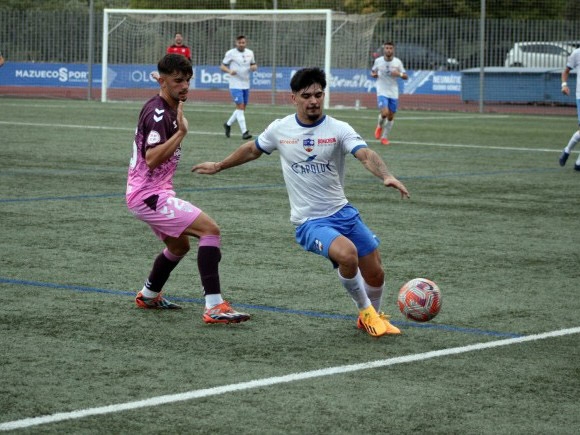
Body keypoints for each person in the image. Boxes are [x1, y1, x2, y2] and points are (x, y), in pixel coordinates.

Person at [192, 67, 410, 338]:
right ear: (293, 97)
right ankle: (367, 314)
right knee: (347, 254)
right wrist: (219, 165)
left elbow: (364, 154)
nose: (314, 101)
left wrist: (386, 175)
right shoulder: (281, 128)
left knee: (375, 272)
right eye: (306, 95)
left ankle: (370, 316)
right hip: (310, 221)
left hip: (343, 212)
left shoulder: (339, 129)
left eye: (318, 94)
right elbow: (252, 149)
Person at [127, 53, 250, 324]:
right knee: (210, 230)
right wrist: (182, 133)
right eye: (178, 81)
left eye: (187, 81)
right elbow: (151, 158)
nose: (184, 86)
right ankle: (214, 306)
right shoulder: (159, 112)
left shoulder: (168, 105)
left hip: (152, 192)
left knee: (179, 245)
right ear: (163, 81)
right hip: (148, 195)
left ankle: (148, 295)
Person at [220, 35, 257, 140]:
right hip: (235, 84)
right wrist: (229, 71)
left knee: (241, 109)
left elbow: (253, 65)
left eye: (243, 42)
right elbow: (222, 66)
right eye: (239, 42)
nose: (241, 44)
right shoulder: (230, 53)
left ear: (246, 43)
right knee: (240, 107)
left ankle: (228, 124)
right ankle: (244, 132)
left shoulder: (250, 53)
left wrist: (254, 67)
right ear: (236, 43)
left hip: (246, 84)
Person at [371, 41, 408, 146]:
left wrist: (399, 74)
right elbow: (373, 71)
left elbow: (405, 76)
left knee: (391, 116)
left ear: (393, 50)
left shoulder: (397, 62)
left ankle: (384, 137)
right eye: (387, 48)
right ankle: (379, 126)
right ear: (384, 49)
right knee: (384, 113)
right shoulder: (378, 61)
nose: (388, 50)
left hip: (393, 91)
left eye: (390, 48)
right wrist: (374, 75)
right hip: (382, 90)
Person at [559, 46, 580, 171]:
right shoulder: (577, 53)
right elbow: (566, 71)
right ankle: (567, 150)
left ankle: (578, 163)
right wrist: (564, 85)